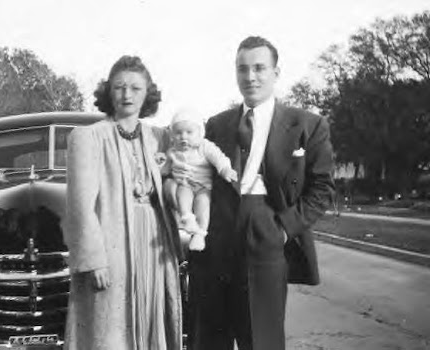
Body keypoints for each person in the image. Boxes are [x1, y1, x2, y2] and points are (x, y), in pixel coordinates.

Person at [188, 36, 335, 350]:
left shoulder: (307, 125)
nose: (250, 77)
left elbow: (322, 189)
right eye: (242, 69)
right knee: (210, 339)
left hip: (267, 235)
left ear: (276, 73)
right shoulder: (217, 124)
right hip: (217, 239)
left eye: (259, 68)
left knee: (262, 339)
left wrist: (283, 229)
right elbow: (199, 177)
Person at [63, 55, 183, 350]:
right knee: (110, 332)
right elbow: (80, 207)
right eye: (119, 87)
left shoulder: (160, 137)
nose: (127, 95)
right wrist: (94, 260)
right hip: (112, 246)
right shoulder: (88, 138)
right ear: (109, 92)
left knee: (152, 321)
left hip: (154, 246)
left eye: (135, 88)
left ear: (147, 94)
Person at [162, 108, 238, 252]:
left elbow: (218, 158)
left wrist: (224, 169)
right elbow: (164, 169)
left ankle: (200, 234)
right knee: (183, 194)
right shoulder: (172, 151)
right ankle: (187, 219)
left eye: (189, 132)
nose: (183, 137)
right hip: (185, 184)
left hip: (203, 186)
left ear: (200, 133)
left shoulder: (204, 146)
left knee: (203, 204)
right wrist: (160, 166)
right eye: (178, 133)